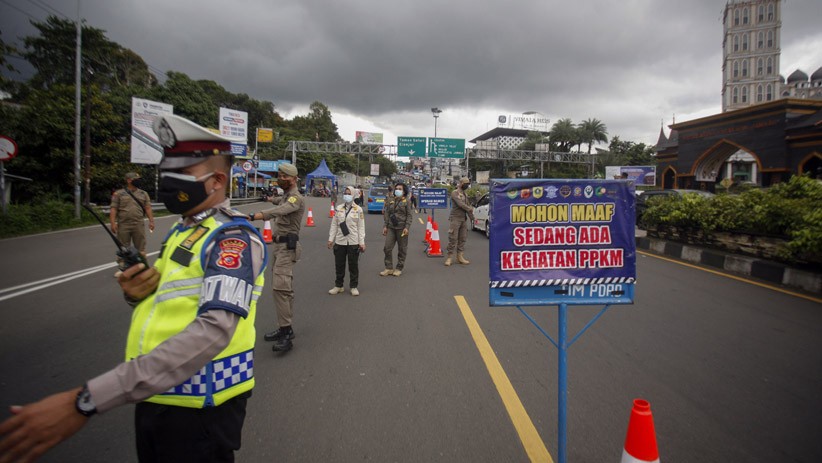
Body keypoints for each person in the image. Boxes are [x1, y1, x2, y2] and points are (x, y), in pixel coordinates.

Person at [0, 114, 267, 462]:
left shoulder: (232, 238)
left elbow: (214, 329)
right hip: (157, 397)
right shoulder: (183, 231)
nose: (166, 181)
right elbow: (172, 304)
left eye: (180, 173)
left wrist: (88, 399)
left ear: (217, 180)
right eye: (164, 171)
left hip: (201, 408)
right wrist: (137, 293)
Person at [248, 162, 304, 352]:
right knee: (281, 290)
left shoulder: (295, 198)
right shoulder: (286, 196)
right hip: (279, 247)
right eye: (279, 175)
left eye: (284, 176)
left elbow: (282, 209)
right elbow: (278, 202)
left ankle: (287, 332)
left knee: (281, 288)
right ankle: (284, 327)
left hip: (288, 248)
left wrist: (257, 215)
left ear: (294, 179)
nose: (280, 179)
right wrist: (269, 198)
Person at [110, 172, 155, 276]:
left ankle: (143, 267)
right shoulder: (119, 194)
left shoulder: (143, 194)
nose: (138, 180)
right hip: (123, 225)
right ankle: (123, 269)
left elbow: (147, 208)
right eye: (136, 179)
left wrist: (151, 221)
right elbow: (114, 209)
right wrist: (113, 223)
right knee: (123, 248)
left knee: (141, 247)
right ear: (129, 180)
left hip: (138, 224)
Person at [327, 186, 366, 296]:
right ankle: (338, 286)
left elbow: (361, 227)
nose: (347, 195)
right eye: (345, 193)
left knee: (353, 265)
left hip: (353, 241)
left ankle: (353, 286)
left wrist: (361, 242)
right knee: (339, 265)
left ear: (353, 195)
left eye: (349, 193)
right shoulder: (338, 208)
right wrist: (331, 239)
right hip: (340, 241)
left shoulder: (358, 209)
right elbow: (334, 224)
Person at [380, 182, 413, 276]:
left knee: (402, 249)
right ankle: (388, 268)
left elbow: (409, 215)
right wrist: (385, 226)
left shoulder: (407, 201)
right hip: (391, 227)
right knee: (387, 248)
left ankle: (399, 268)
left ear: (404, 191)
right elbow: (387, 213)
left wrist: (407, 227)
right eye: (396, 188)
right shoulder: (391, 199)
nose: (397, 190)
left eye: (400, 189)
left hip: (402, 228)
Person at [445, 177, 475, 266]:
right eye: (466, 184)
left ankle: (460, 256)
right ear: (461, 183)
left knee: (462, 238)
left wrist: (472, 218)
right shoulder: (455, 193)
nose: (467, 185)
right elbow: (461, 205)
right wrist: (470, 208)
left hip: (463, 219)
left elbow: (468, 207)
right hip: (455, 218)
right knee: (453, 238)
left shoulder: (465, 194)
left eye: (468, 184)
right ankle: (449, 257)